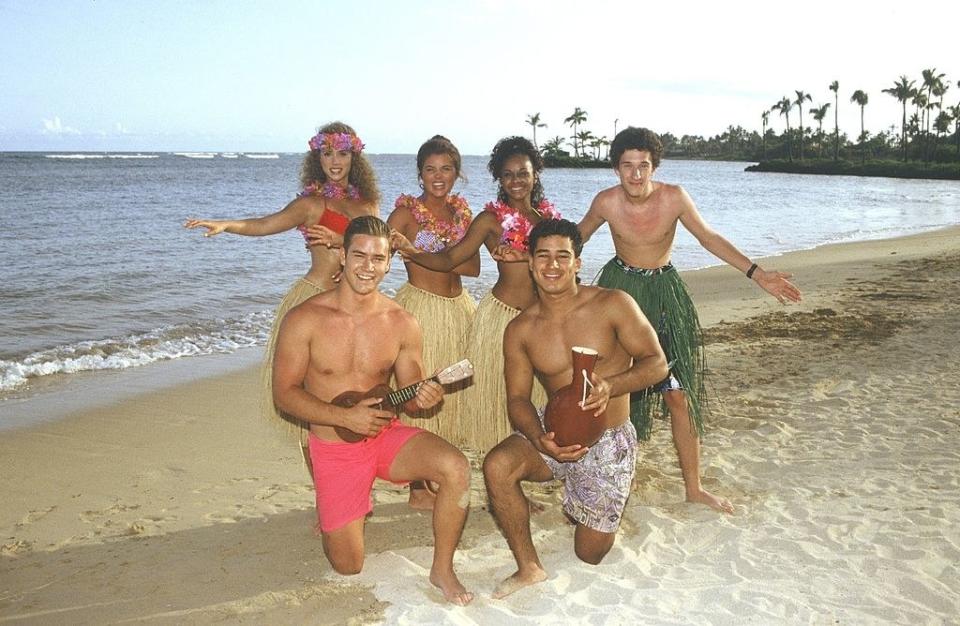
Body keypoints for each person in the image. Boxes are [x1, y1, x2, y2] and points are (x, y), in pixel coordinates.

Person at [578, 127, 802, 514]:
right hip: (620, 298)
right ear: (616, 169)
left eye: (643, 166)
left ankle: (694, 488)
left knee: (678, 395)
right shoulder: (606, 203)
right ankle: (595, 478)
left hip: (665, 297)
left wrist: (757, 273)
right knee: (609, 393)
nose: (635, 175)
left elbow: (709, 237)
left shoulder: (674, 198)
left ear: (654, 167)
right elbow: (571, 241)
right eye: (627, 166)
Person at [272, 216, 473, 606]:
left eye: (377, 259)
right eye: (359, 255)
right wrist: (344, 417)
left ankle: (443, 568)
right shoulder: (305, 319)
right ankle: (336, 501)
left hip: (384, 435)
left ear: (389, 262)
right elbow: (284, 394)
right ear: (343, 256)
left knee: (456, 467)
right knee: (348, 565)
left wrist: (424, 397)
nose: (368, 267)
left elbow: (410, 389)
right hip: (335, 446)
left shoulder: (401, 322)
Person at [483, 218, 668, 598]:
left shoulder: (613, 304)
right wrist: (539, 438)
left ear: (578, 264)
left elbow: (657, 363)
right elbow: (517, 399)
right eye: (543, 257)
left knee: (590, 555)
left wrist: (612, 385)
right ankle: (529, 567)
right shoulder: (521, 329)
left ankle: (597, 492)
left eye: (563, 257)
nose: (553, 266)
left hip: (608, 439)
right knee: (497, 465)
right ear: (530, 264)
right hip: (552, 431)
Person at [184, 122, 379, 468]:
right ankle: (324, 490)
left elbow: (381, 245)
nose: (335, 161)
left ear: (355, 156)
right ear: (317, 157)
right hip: (315, 300)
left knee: (354, 389)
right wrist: (227, 224)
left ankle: (354, 471)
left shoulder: (369, 205)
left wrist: (342, 244)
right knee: (313, 399)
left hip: (357, 305)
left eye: (343, 153)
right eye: (327, 153)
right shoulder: (310, 204)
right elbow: (264, 224)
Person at [391, 136, 558, 452]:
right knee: (497, 397)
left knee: (538, 395)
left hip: (540, 318)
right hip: (502, 317)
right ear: (498, 177)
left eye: (522, 173)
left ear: (536, 173)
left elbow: (563, 261)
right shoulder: (489, 220)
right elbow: (450, 259)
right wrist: (412, 252)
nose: (516, 181)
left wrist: (524, 257)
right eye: (507, 174)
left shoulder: (548, 221)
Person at [381, 136, 479, 509]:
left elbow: (472, 267)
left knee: (451, 391)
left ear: (457, 172)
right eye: (430, 169)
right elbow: (379, 252)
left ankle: (441, 472)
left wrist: (418, 251)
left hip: (459, 308)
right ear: (419, 173)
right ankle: (418, 488)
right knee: (417, 389)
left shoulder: (461, 214)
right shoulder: (405, 214)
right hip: (421, 309)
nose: (439, 177)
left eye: (446, 169)